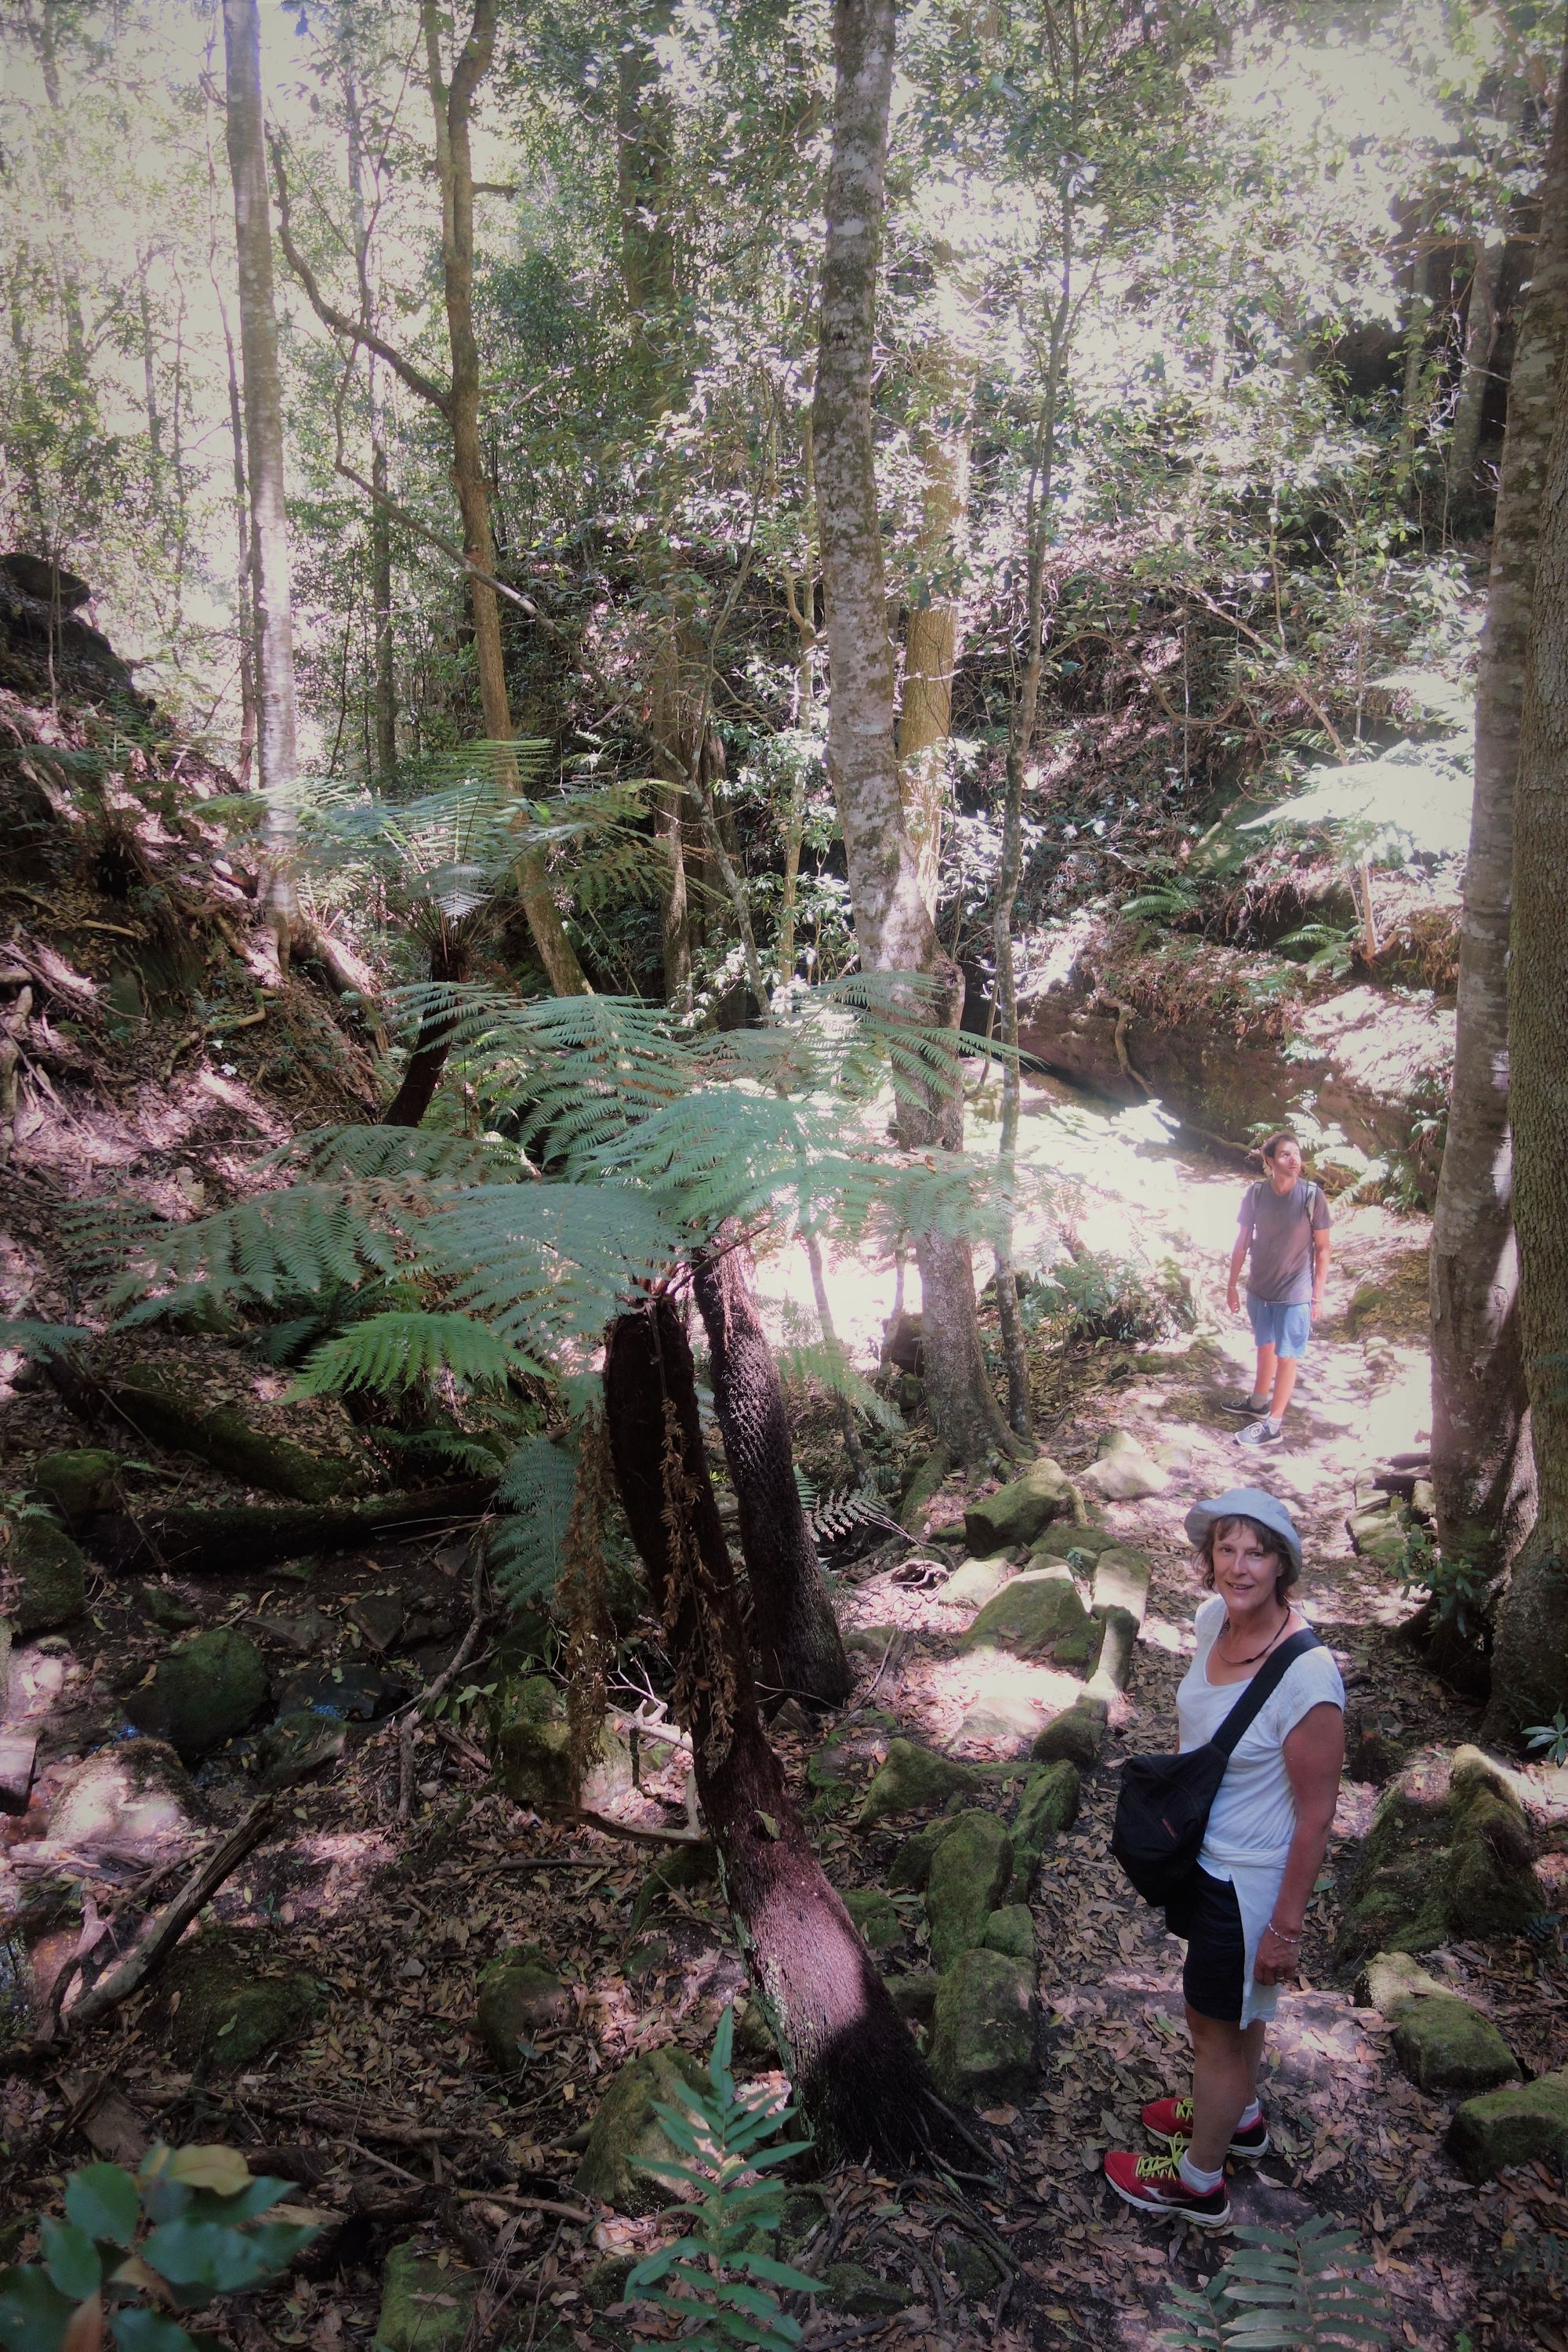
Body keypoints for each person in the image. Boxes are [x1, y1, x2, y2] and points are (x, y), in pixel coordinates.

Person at [1103, 1489, 1345, 2228]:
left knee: (1212, 2029)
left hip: (1248, 1885)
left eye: (1257, 1552)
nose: (1239, 1566)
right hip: (1205, 1859)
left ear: (1282, 1566)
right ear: (1210, 1558)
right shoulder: (1214, 1621)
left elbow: (1317, 1812)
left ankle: (1198, 2181)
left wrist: (1285, 1929)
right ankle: (1237, 2118)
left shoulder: (1308, 1679)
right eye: (1226, 1548)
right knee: (1238, 2017)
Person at [1221, 1132, 1330, 1450]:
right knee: (1264, 1345)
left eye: (1297, 1154)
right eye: (1285, 1154)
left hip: (1295, 1293)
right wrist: (1232, 1285)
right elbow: (1242, 1242)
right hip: (1259, 1289)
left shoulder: (1312, 1197)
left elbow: (1323, 1249)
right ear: (1269, 1162)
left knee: (1287, 1356)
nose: (1294, 1159)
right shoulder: (1256, 1195)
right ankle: (1258, 1403)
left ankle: (1274, 1424)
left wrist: (1318, 1295)